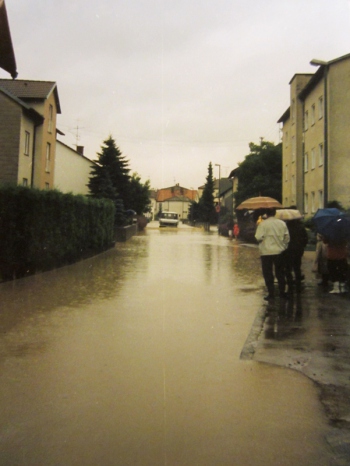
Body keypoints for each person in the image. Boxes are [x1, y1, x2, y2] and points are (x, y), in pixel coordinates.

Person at [255, 208, 290, 301]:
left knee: (268, 273)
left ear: (266, 214)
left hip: (266, 252)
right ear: (275, 213)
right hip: (279, 252)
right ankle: (282, 293)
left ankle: (271, 294)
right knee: (280, 273)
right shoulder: (282, 223)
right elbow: (287, 237)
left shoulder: (262, 224)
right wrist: (283, 246)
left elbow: (258, 237)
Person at [283, 219, 308, 293]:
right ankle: (298, 284)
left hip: (288, 250)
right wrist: (302, 246)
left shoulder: (285, 227)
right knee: (297, 267)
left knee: (288, 268)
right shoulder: (300, 227)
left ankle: (290, 284)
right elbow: (305, 238)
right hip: (298, 250)